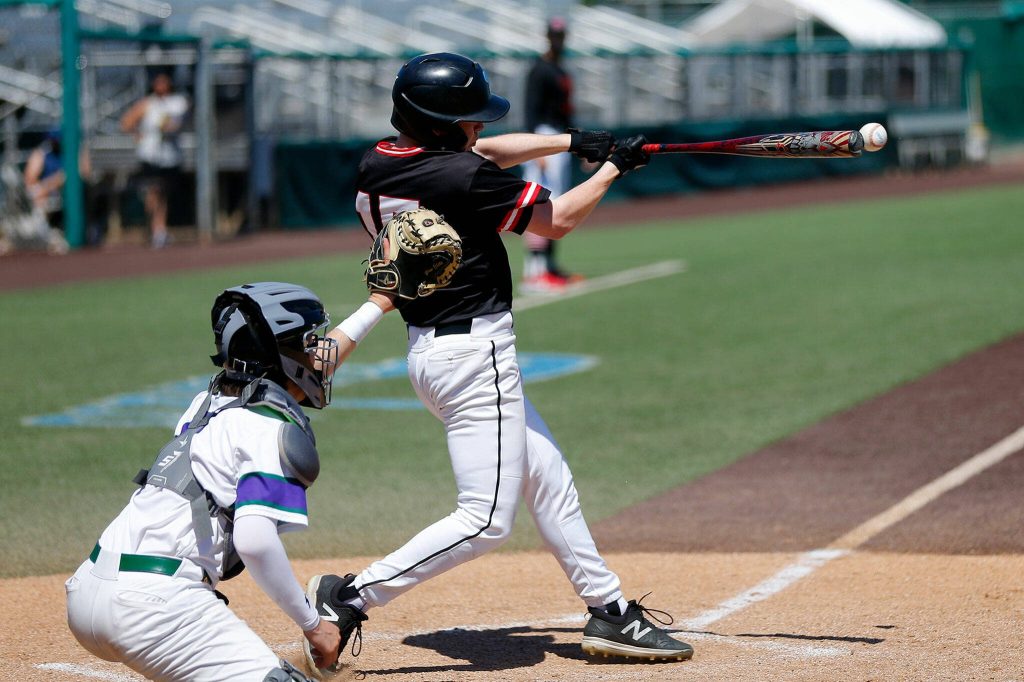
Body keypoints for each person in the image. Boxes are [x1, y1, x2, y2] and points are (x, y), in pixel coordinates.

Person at [303, 52, 692, 677]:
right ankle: (350, 596)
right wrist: (614, 167)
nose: (479, 128)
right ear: (441, 127)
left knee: (548, 476)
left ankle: (609, 608)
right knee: (485, 520)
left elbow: (481, 155)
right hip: (474, 355)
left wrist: (574, 141)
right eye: (468, 120)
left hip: (434, 354)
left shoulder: (382, 160)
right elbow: (557, 221)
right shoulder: (462, 180)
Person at [65, 281, 395, 681]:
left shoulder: (204, 406)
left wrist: (378, 305)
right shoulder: (268, 428)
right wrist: (314, 625)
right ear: (280, 355)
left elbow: (298, 367)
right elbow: (254, 542)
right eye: (310, 341)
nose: (318, 351)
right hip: (154, 608)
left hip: (88, 590)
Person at [520, 17, 582, 293]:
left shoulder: (560, 69)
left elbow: (566, 110)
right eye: (555, 36)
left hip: (559, 137)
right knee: (539, 203)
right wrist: (535, 146)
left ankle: (550, 267)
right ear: (548, 37)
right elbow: (530, 110)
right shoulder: (540, 69)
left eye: (561, 35)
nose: (558, 40)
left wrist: (578, 143)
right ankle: (535, 271)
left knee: (556, 204)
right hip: (543, 136)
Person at [120, 72, 188, 249]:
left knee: (163, 193)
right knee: (153, 191)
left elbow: (174, 124)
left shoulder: (177, 102)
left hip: (170, 157)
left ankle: (160, 230)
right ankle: (155, 229)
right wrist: (137, 134)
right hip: (150, 156)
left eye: (164, 82)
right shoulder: (147, 103)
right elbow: (126, 122)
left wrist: (167, 126)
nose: (160, 85)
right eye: (157, 82)